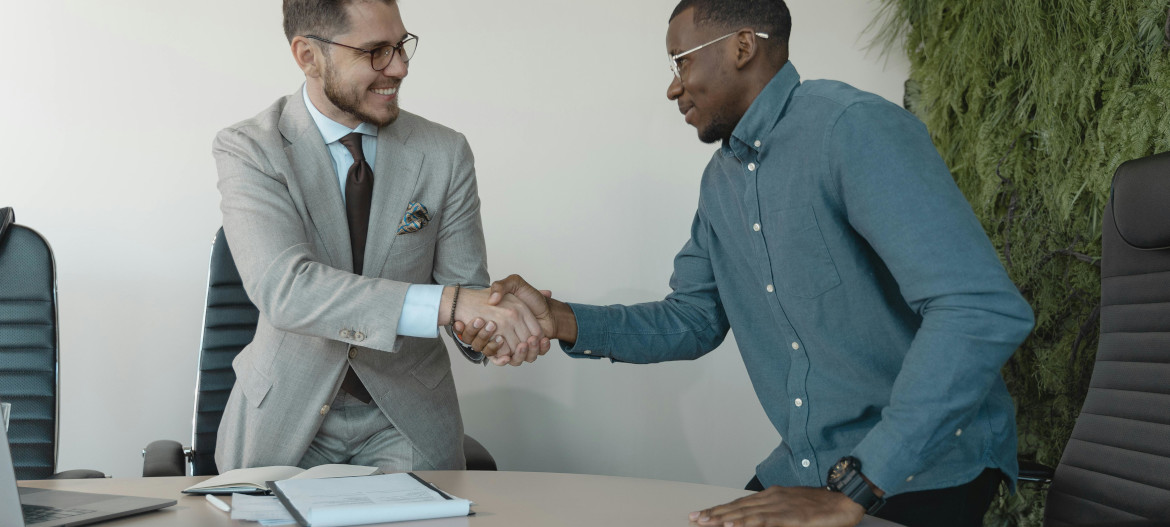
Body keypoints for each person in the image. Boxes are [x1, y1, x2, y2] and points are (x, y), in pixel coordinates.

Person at [456, 0, 1034, 525]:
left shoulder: (851, 128)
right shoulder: (721, 181)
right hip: (812, 467)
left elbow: (979, 309)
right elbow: (694, 319)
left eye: (679, 62)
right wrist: (559, 318)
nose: (672, 88)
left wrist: (859, 484)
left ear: (741, 46)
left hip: (919, 467)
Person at [212, 0, 547, 473]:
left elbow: (466, 287)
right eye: (375, 52)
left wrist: (490, 330)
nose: (400, 67)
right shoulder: (250, 148)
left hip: (406, 418)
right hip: (284, 415)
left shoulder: (443, 152)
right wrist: (452, 305)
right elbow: (286, 290)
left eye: (401, 46)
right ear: (308, 56)